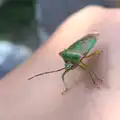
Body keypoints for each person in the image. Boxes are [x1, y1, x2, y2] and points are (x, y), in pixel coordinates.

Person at [0, 6, 120, 120]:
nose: (68, 67)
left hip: (85, 46)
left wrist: (95, 79)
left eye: (70, 66)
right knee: (66, 73)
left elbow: (90, 70)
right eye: (68, 65)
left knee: (88, 68)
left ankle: (95, 77)